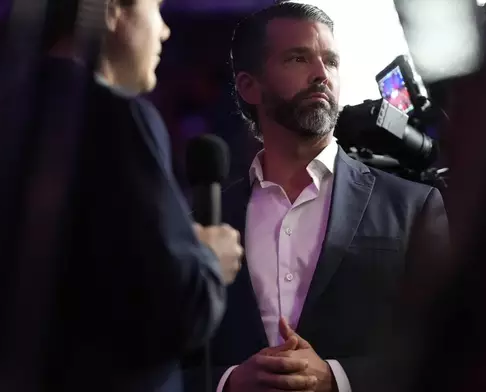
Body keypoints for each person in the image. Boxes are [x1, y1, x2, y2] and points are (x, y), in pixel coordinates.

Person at [181, 2, 449, 392]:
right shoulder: (202, 220)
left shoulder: (414, 206)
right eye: (298, 58)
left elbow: (451, 353)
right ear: (248, 85)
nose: (321, 75)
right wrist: (229, 382)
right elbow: (164, 359)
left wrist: (336, 379)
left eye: (331, 61)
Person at [33, 0, 243, 390]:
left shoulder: (3, 121)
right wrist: (210, 259)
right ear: (111, 10)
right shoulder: (119, 119)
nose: (164, 31)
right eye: (156, 8)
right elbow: (177, 311)